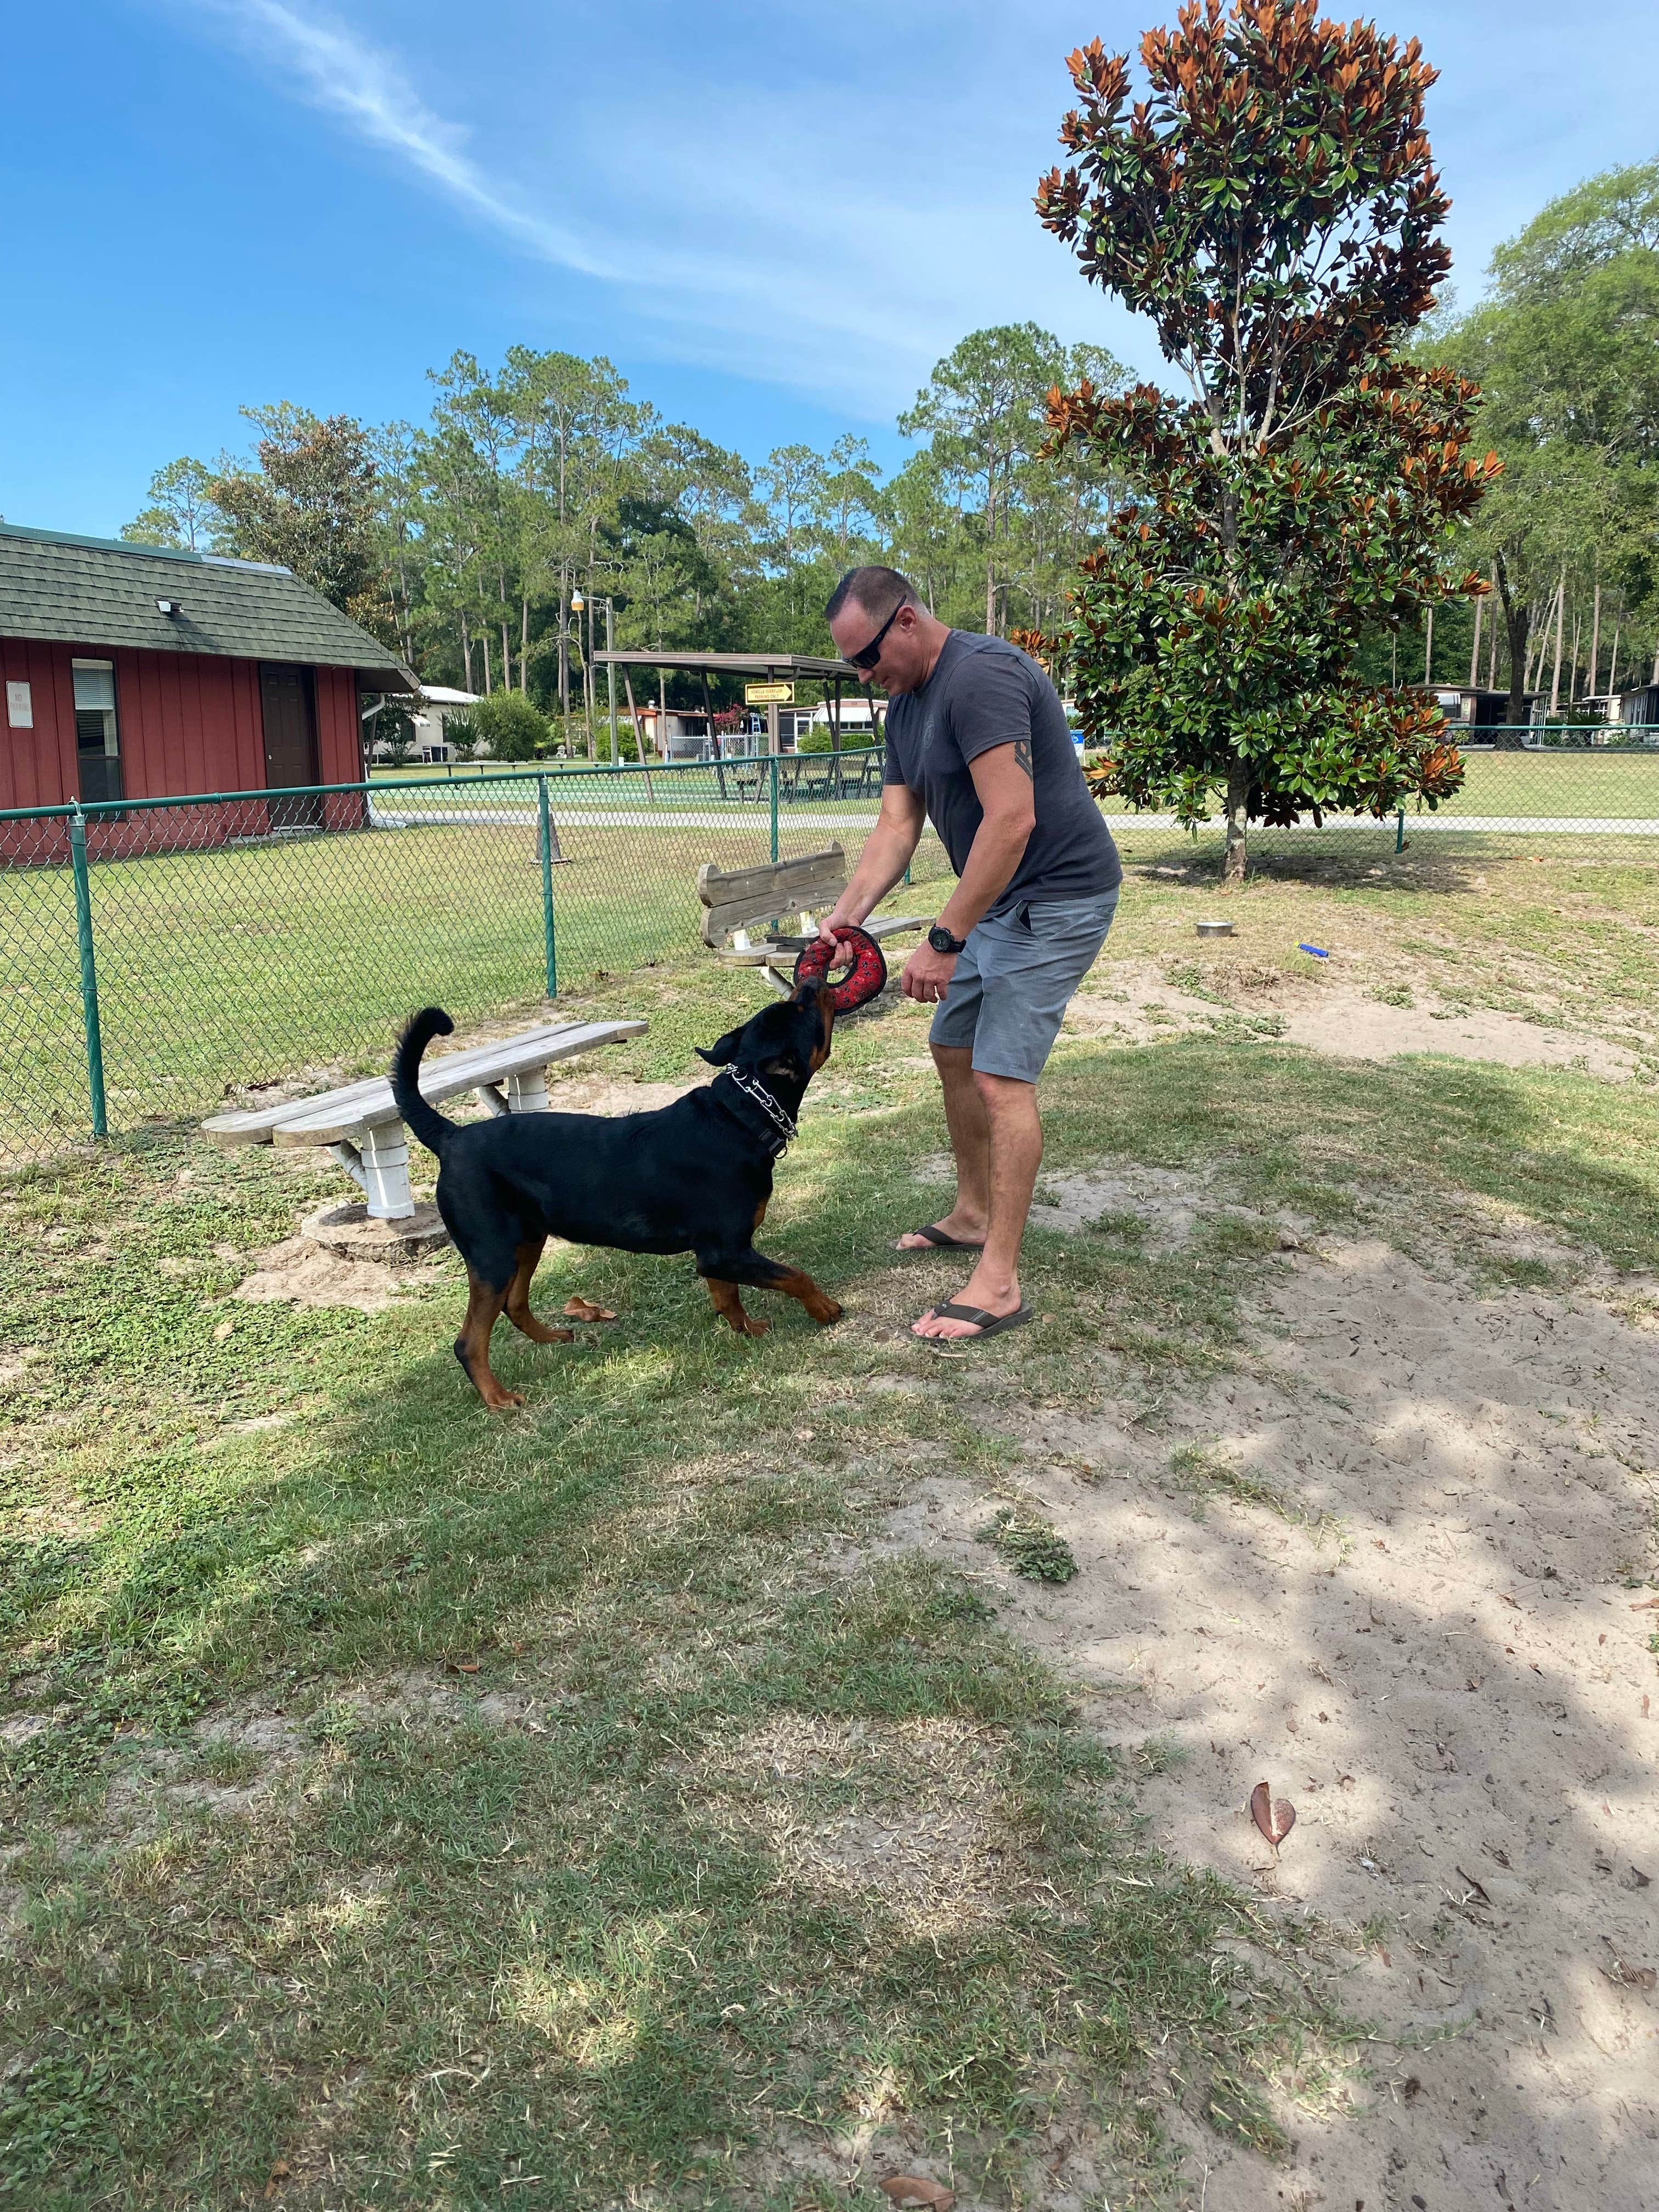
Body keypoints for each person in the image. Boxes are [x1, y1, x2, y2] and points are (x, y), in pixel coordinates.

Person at [820, 566, 1122, 1341]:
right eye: (853, 664)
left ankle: (1000, 1283)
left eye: (868, 656)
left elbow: (1012, 820)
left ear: (909, 621)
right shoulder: (905, 708)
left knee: (999, 1077)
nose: (866, 675)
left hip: (1057, 894)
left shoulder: (980, 676)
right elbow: (896, 828)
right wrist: (844, 921)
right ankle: (972, 1212)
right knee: (952, 1046)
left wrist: (945, 939)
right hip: (1000, 897)